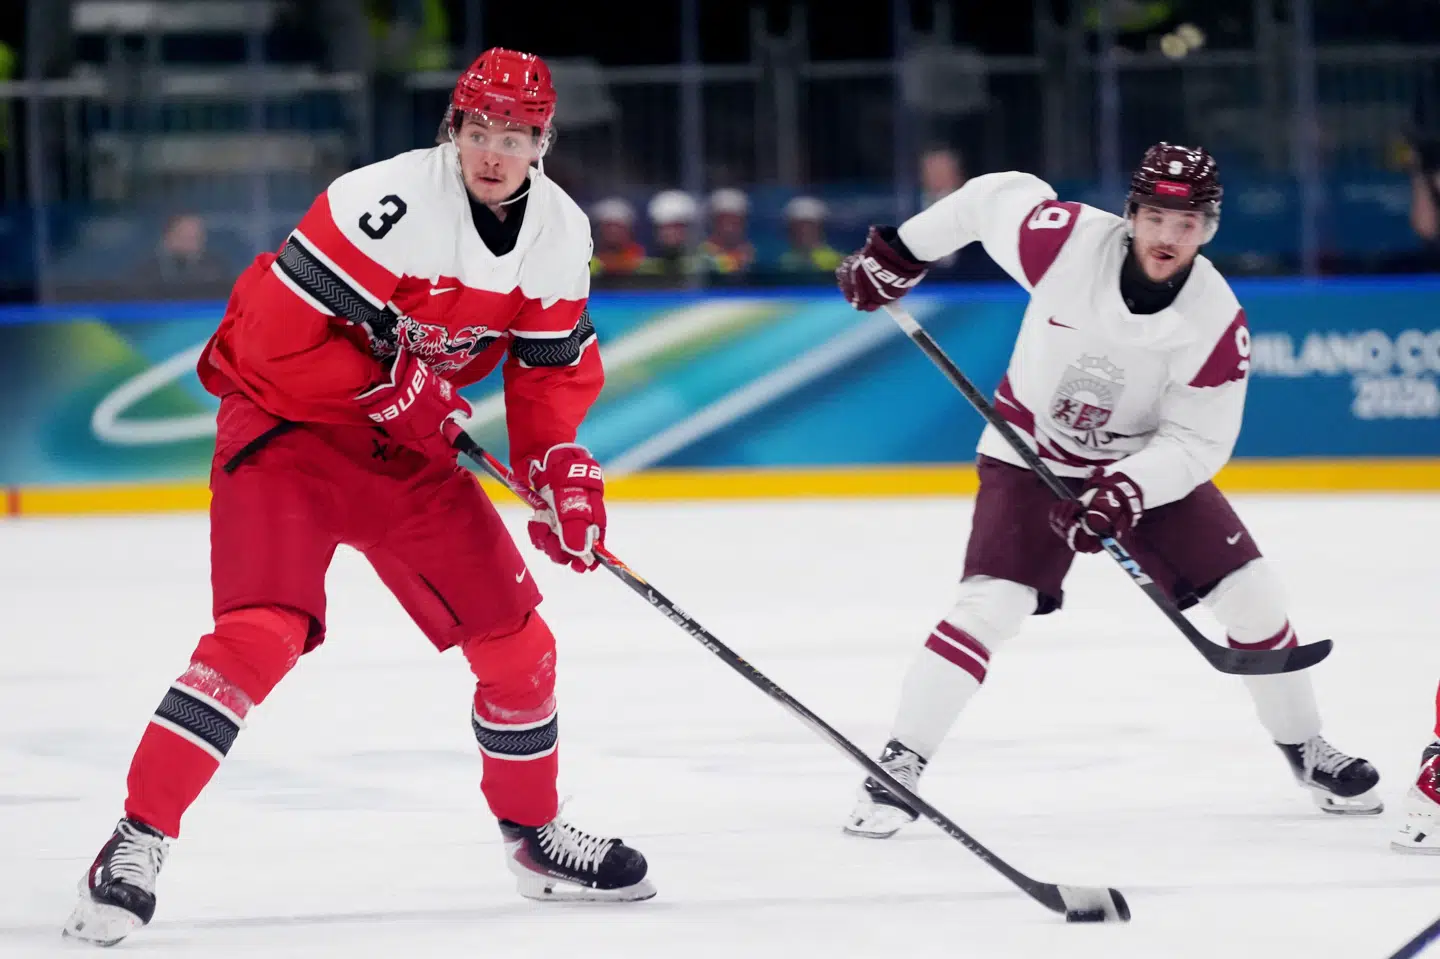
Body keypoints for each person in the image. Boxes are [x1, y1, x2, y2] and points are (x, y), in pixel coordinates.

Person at [63, 47, 653, 948]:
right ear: (451, 128)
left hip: (406, 456)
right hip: (288, 431)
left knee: (520, 648)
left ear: (544, 142)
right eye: (480, 130)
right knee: (258, 635)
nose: (495, 151)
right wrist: (377, 380)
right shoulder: (381, 200)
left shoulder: (560, 233)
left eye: (517, 136)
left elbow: (546, 378)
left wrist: (558, 470)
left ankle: (533, 836)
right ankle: (135, 840)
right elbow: (266, 340)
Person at [833, 142, 1381, 839]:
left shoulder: (1216, 320)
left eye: (1186, 225)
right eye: (1156, 218)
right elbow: (991, 194)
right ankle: (898, 762)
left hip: (1141, 462)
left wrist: (1124, 490)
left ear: (1208, 229)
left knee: (1252, 593)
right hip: (1031, 447)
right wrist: (899, 253)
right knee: (991, 604)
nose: (1168, 237)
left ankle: (1306, 748)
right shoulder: (1065, 242)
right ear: (1130, 216)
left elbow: (1197, 443)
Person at [639, 189, 701, 279]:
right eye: (665, 227)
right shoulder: (641, 268)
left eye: (677, 226)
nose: (670, 233)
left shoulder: (707, 268)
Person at [777, 196, 843, 275]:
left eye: (809, 226)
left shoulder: (840, 263)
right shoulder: (781, 263)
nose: (803, 231)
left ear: (820, 228)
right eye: (798, 226)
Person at [699, 187, 756, 276]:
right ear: (712, 221)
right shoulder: (700, 254)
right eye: (724, 220)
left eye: (736, 221)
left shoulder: (752, 255)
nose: (730, 226)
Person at [589, 197, 646, 277]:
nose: (613, 231)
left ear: (628, 229)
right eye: (608, 226)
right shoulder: (587, 258)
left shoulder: (641, 258)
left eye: (618, 226)